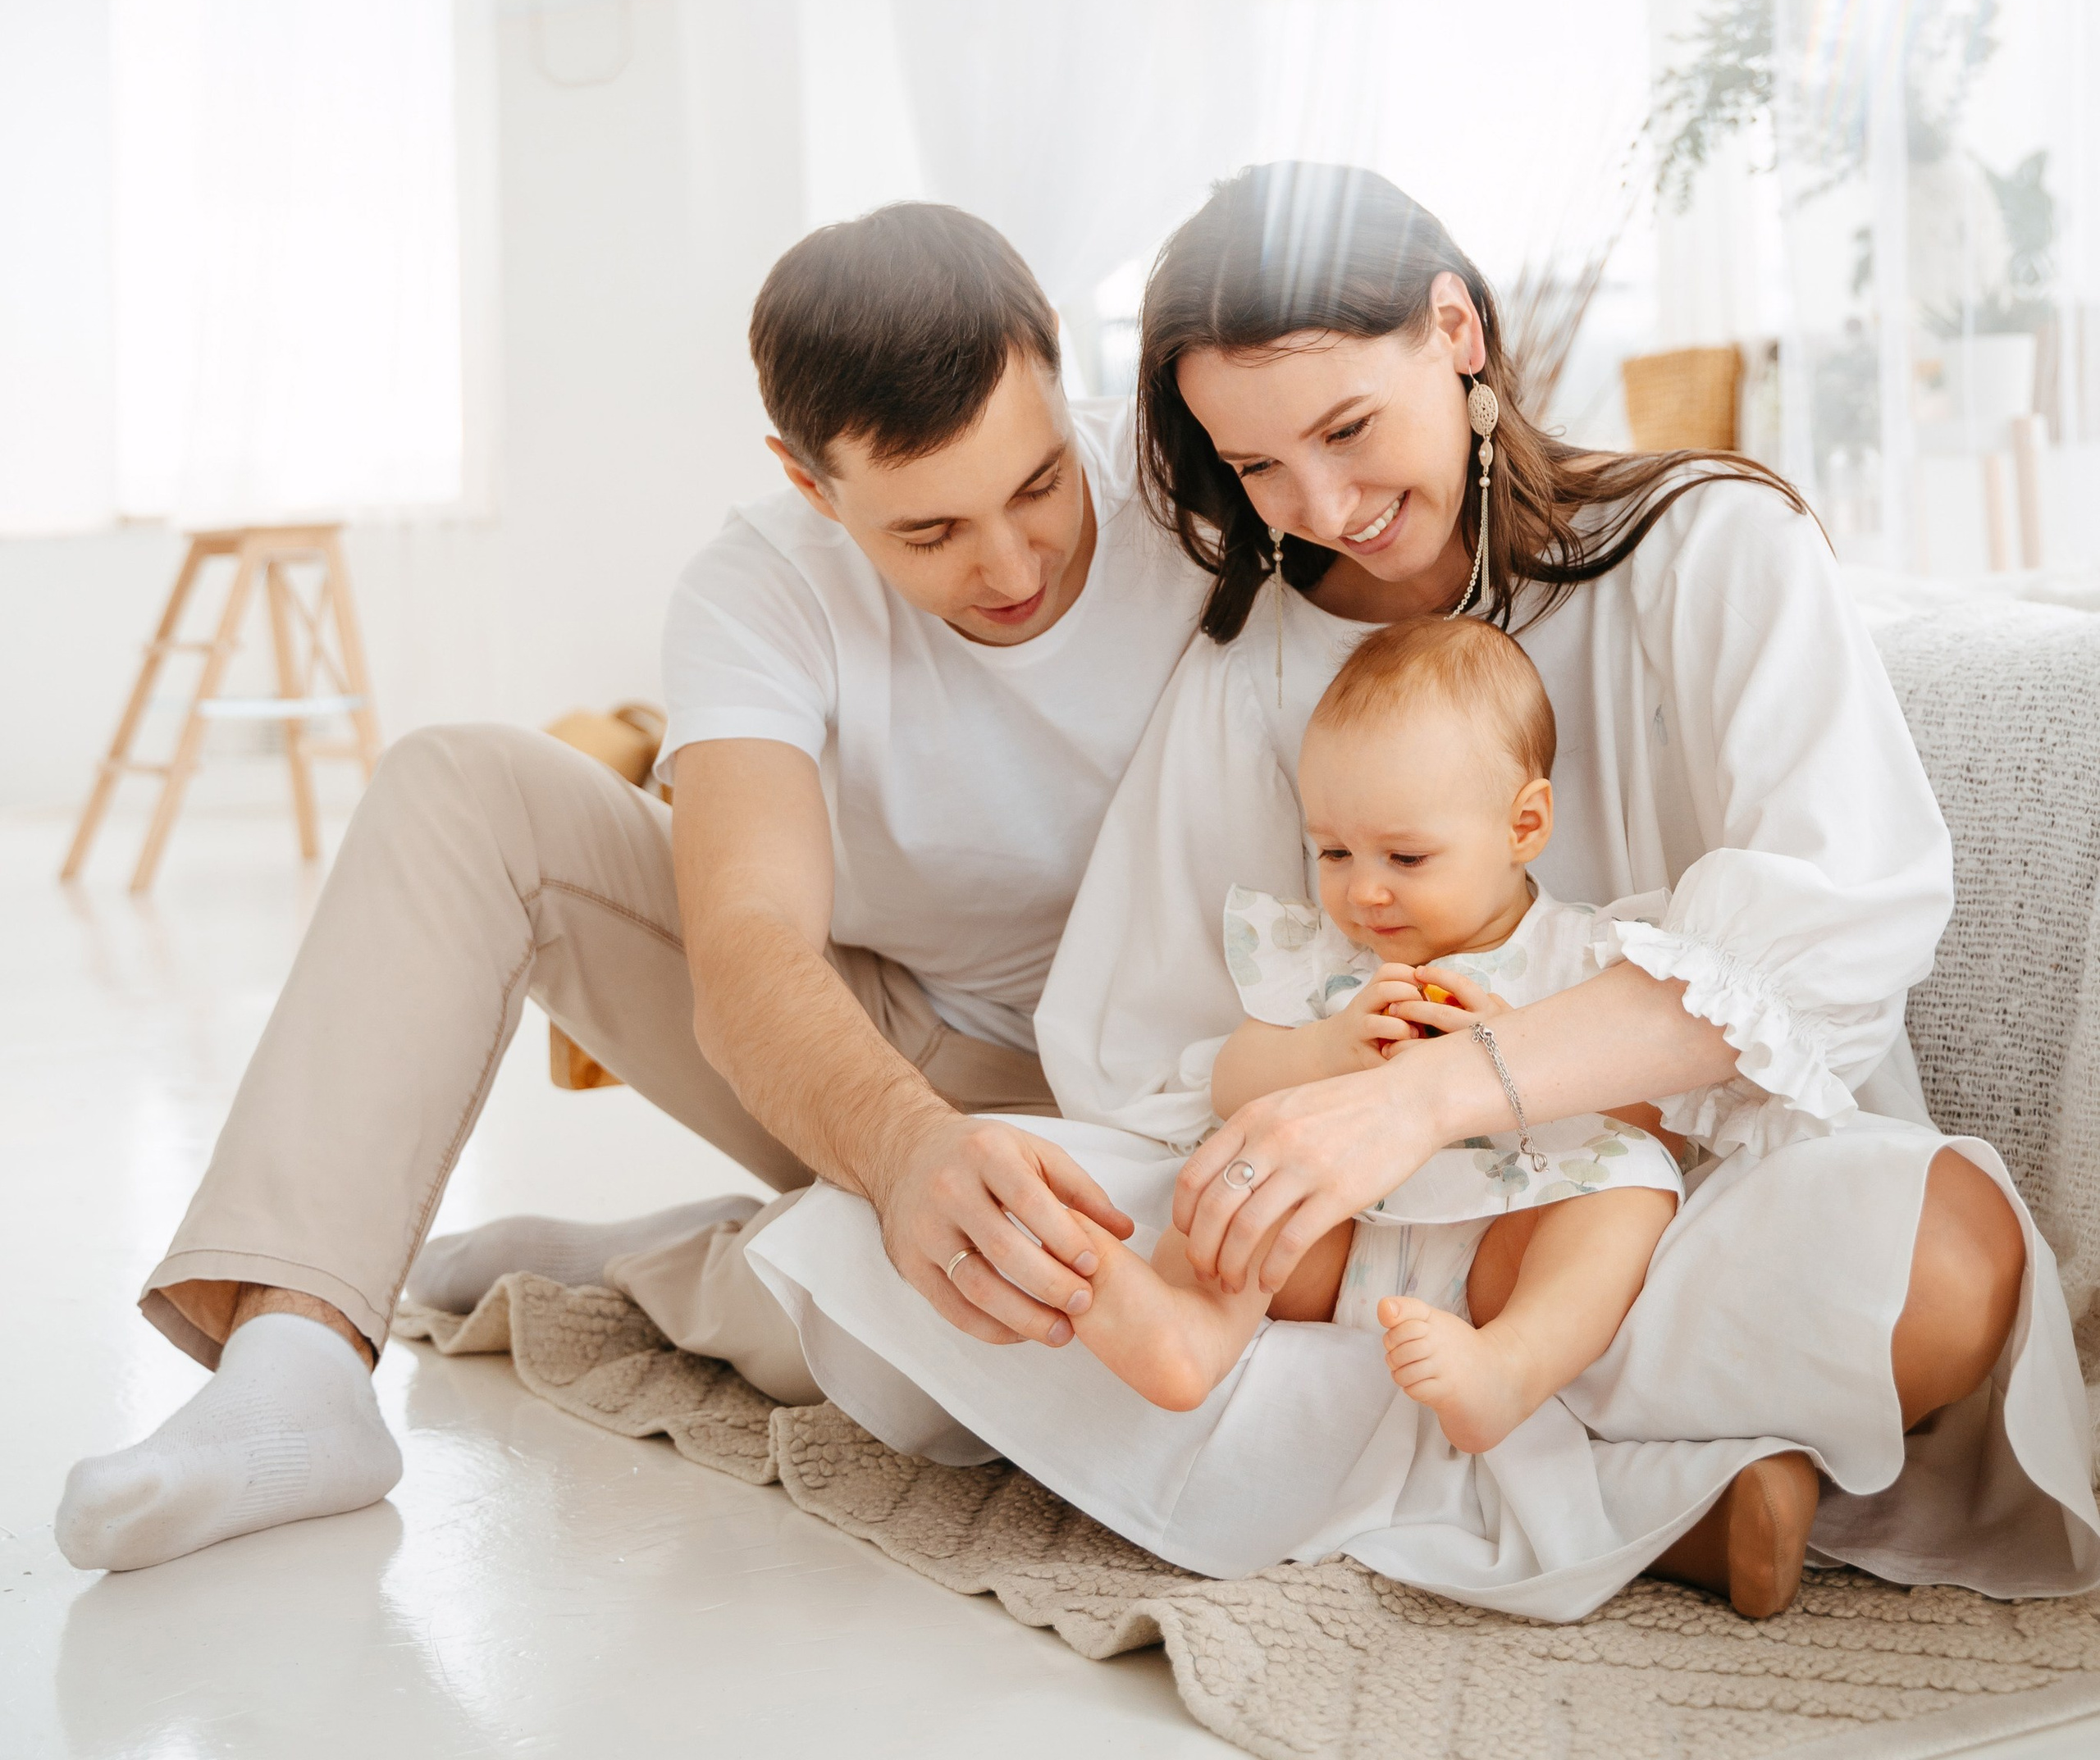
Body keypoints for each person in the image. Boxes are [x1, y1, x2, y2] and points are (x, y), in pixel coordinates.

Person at [745, 162, 2100, 1624]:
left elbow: (1841, 916)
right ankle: (1654, 1488)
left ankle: (1473, 1460)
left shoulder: (1709, 546)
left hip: (1683, 1218)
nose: (1323, 504)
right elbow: (1140, 1047)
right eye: (1261, 469)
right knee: (908, 1267)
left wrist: (1441, 1093)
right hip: (1389, 1257)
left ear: (1455, 332)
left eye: (1345, 428)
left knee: (1951, 1261)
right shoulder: (1257, 663)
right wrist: (1314, 1093)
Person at [56, 203, 1208, 1574]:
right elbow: (749, 940)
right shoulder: (759, 591)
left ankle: (641, 1268)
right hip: (885, 1048)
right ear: (807, 482)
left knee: (942, 1373)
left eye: (1036, 488)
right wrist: (903, 1153)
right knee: (465, 786)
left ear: (1058, 362)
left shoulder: (1194, 494)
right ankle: (294, 1364)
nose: (1012, 567)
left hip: (1163, 1087)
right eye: (933, 531)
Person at [1056, 613, 1687, 1443]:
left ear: (1522, 827)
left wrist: (1520, 1052)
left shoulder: (1582, 958)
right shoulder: (1323, 956)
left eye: (1405, 857)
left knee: (1633, 1181)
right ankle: (1196, 1328)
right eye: (1334, 853)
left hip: (1502, 1254)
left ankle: (1511, 1365)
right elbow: (1230, 1077)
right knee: (1240, 1157)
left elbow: (1660, 1120)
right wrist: (1325, 1049)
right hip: (1331, 1251)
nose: (1364, 894)